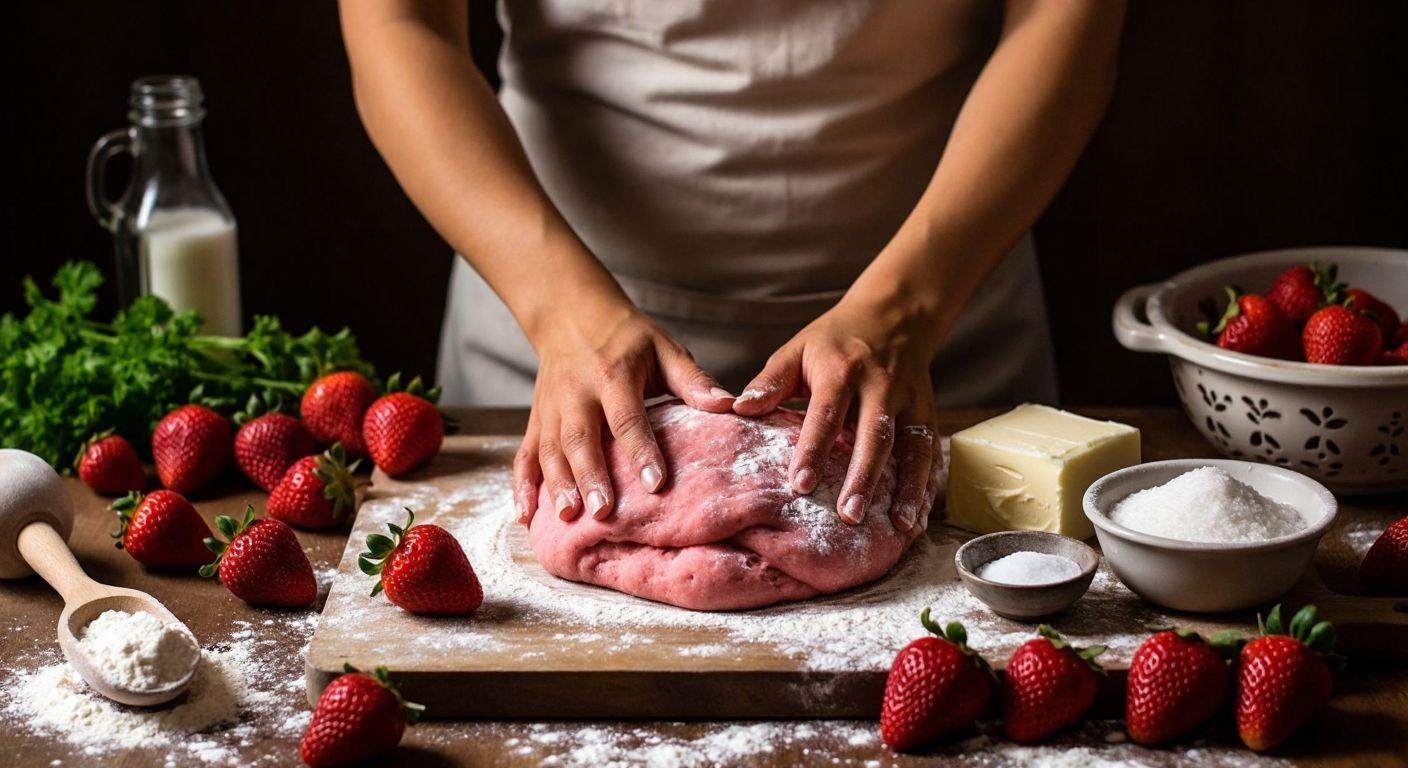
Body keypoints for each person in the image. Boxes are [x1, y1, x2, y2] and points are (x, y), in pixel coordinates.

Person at [340, 0, 1125, 535]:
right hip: (550, 330)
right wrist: (560, 311)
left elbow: (1066, 11)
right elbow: (401, 24)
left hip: (945, 318)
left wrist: (912, 305)